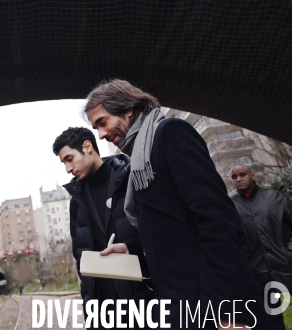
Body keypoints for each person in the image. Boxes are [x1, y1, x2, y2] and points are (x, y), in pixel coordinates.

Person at [83, 79, 268, 329]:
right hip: (180, 307)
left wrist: (227, 311)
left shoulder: (170, 134)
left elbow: (218, 221)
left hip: (209, 306)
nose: (102, 134)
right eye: (97, 129)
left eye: (103, 123)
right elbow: (175, 230)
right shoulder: (140, 160)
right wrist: (132, 248)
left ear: (127, 108)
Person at [53, 127, 152, 329]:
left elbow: (157, 235)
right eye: (64, 163)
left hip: (142, 296)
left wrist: (131, 247)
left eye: (69, 159)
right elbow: (79, 255)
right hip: (102, 308)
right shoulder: (76, 201)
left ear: (87, 147)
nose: (68, 169)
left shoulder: (131, 179)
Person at [231, 164, 292, 330]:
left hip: (287, 267)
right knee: (273, 322)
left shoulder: (276, 198)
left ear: (253, 176)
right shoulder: (231, 208)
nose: (238, 179)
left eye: (242, 174)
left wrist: (288, 253)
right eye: (234, 177)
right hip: (259, 275)